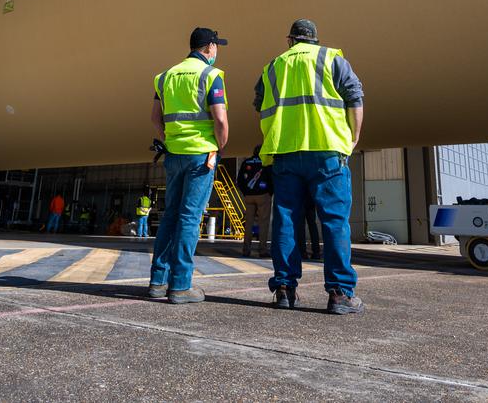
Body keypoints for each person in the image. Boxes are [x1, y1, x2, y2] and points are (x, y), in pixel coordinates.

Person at [255, 19, 364, 315]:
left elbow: (259, 105)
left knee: (286, 220)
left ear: (290, 39)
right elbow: (355, 97)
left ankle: (284, 289)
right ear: (315, 39)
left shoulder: (273, 67)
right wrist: (352, 138)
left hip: (286, 152)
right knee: (333, 221)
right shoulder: (333, 59)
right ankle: (340, 294)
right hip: (327, 151)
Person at [147, 27, 230, 304]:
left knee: (171, 215)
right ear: (208, 48)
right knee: (190, 218)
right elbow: (219, 120)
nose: (217, 51)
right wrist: (219, 146)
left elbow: (155, 118)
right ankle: (181, 285)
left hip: (174, 155)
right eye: (217, 46)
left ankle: (158, 281)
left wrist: (169, 140)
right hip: (200, 158)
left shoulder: (165, 76)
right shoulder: (211, 76)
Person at [236, 145, 273, 258]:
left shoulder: (246, 162)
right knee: (263, 223)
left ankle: (246, 249)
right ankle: (262, 250)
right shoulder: (266, 162)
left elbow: (240, 180)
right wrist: (270, 192)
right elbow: (272, 178)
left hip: (249, 196)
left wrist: (245, 192)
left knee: (248, 223)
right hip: (263, 195)